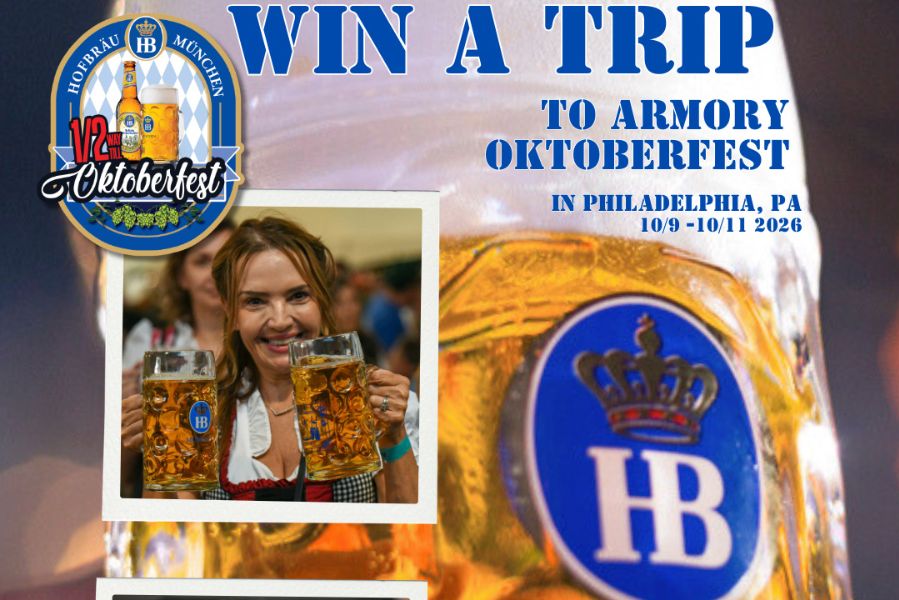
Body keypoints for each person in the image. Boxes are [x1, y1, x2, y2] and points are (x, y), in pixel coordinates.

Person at [207, 216, 418, 502]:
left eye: (298, 296)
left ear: (321, 300)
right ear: (231, 312)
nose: (280, 321)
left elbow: (411, 536)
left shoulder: (373, 400)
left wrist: (393, 436)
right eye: (255, 301)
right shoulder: (202, 416)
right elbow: (169, 532)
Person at [119, 221, 235, 497]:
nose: (215, 273)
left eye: (225, 260)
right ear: (182, 276)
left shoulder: (264, 346)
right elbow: (119, 474)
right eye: (202, 261)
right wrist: (122, 423)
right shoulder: (152, 343)